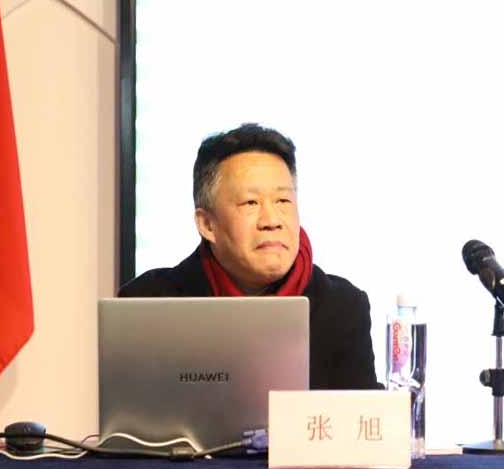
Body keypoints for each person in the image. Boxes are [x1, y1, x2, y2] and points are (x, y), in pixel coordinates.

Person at [119, 123, 381, 390]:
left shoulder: (343, 307)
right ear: (207, 224)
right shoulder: (145, 304)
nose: (271, 220)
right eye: (250, 203)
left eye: (283, 201)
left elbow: (363, 414)